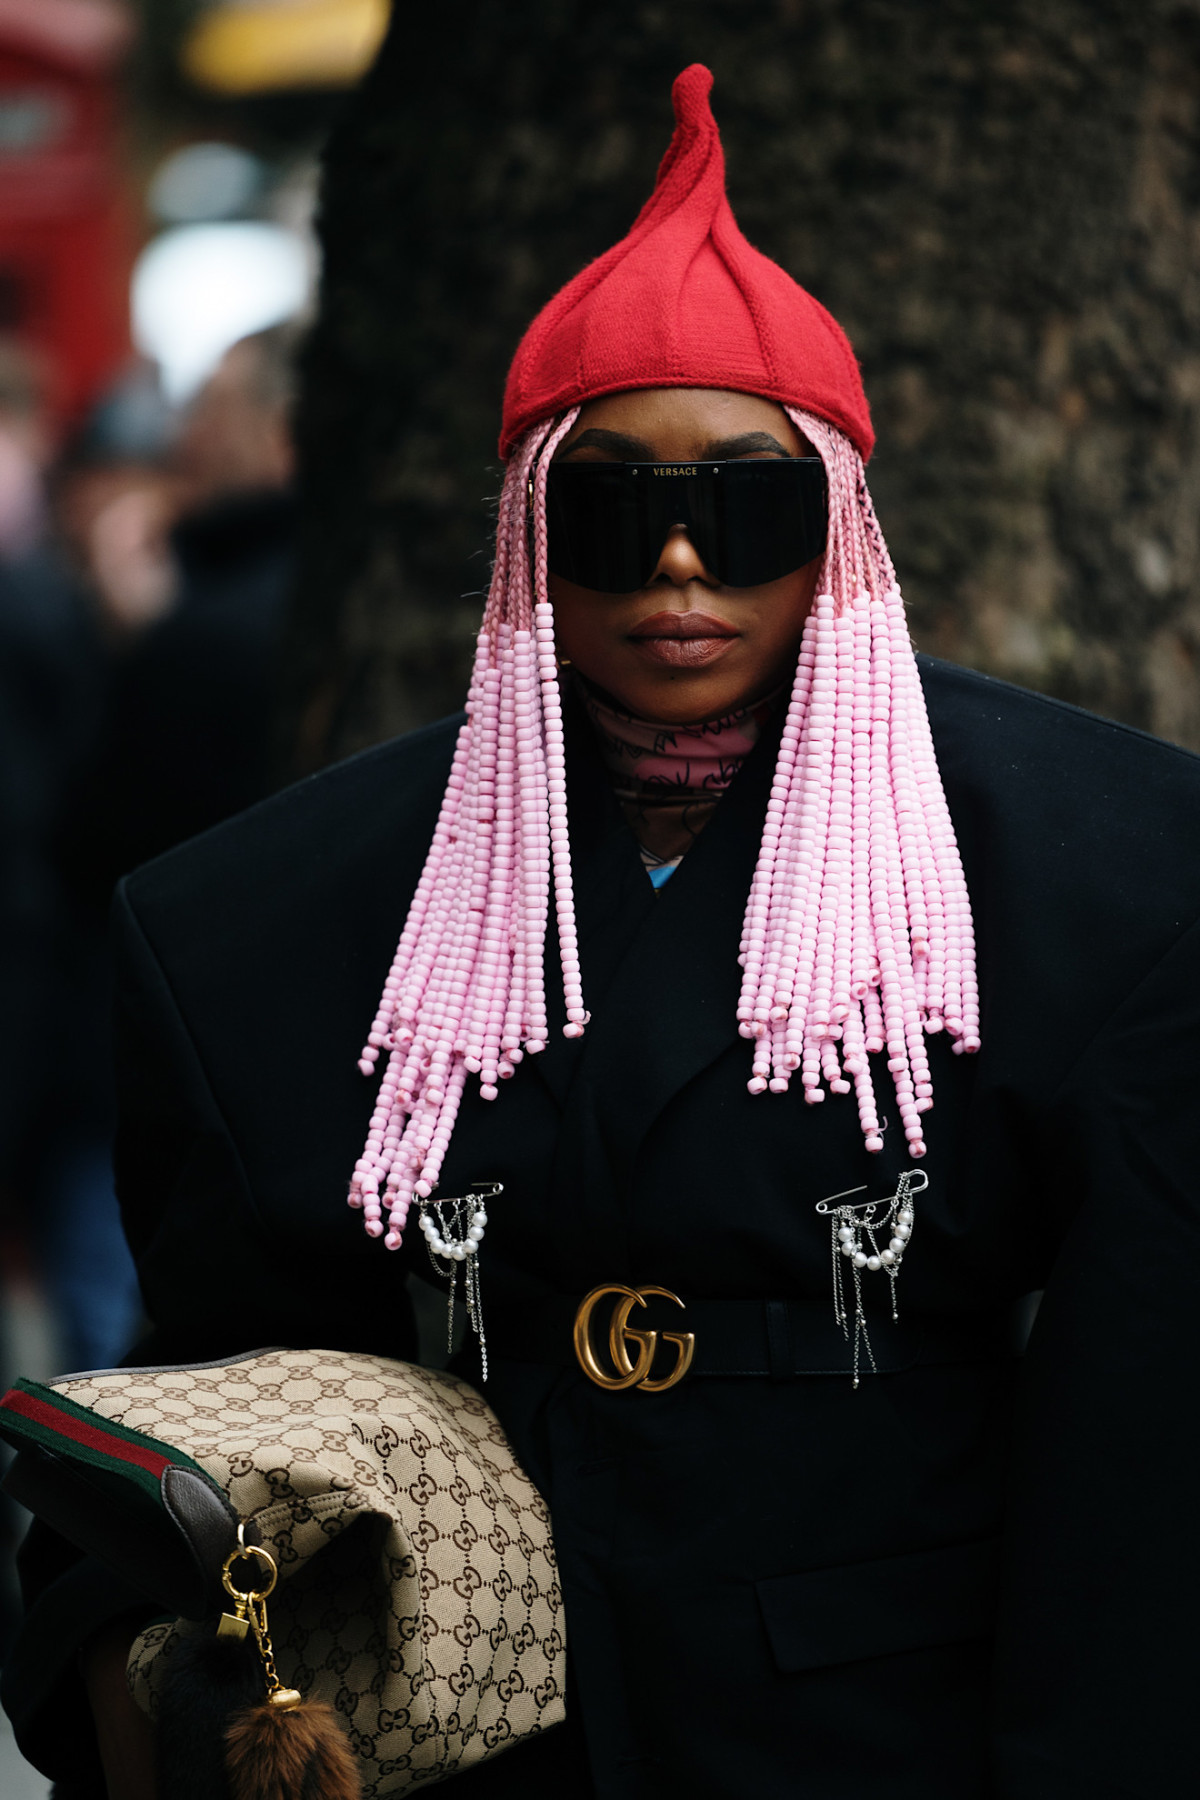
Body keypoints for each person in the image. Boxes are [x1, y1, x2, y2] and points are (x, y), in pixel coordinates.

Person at [4, 64, 1200, 1800]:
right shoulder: (250, 922)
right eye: (611, 511)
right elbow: (194, 1418)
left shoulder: (1117, 876)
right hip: (460, 1736)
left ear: (847, 526)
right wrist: (149, 1693)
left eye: (752, 503)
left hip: (890, 1740)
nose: (682, 564)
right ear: (525, 537)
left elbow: (1150, 1444)